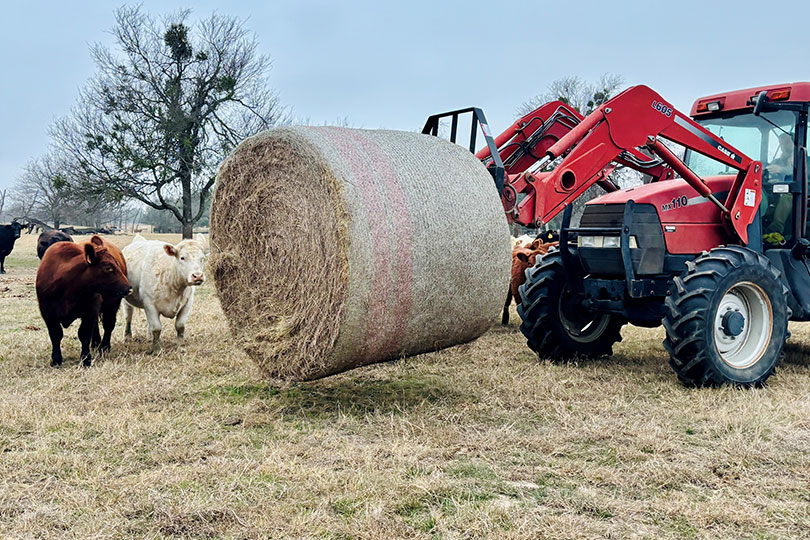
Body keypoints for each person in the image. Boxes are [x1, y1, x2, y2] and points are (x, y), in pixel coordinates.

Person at [763, 133, 795, 236]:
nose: (783, 146)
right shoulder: (777, 161)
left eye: (786, 143)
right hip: (776, 192)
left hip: (798, 194)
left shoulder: (804, 160)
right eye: (781, 144)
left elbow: (802, 172)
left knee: (787, 196)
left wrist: (781, 170)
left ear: (795, 142)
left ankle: (776, 229)